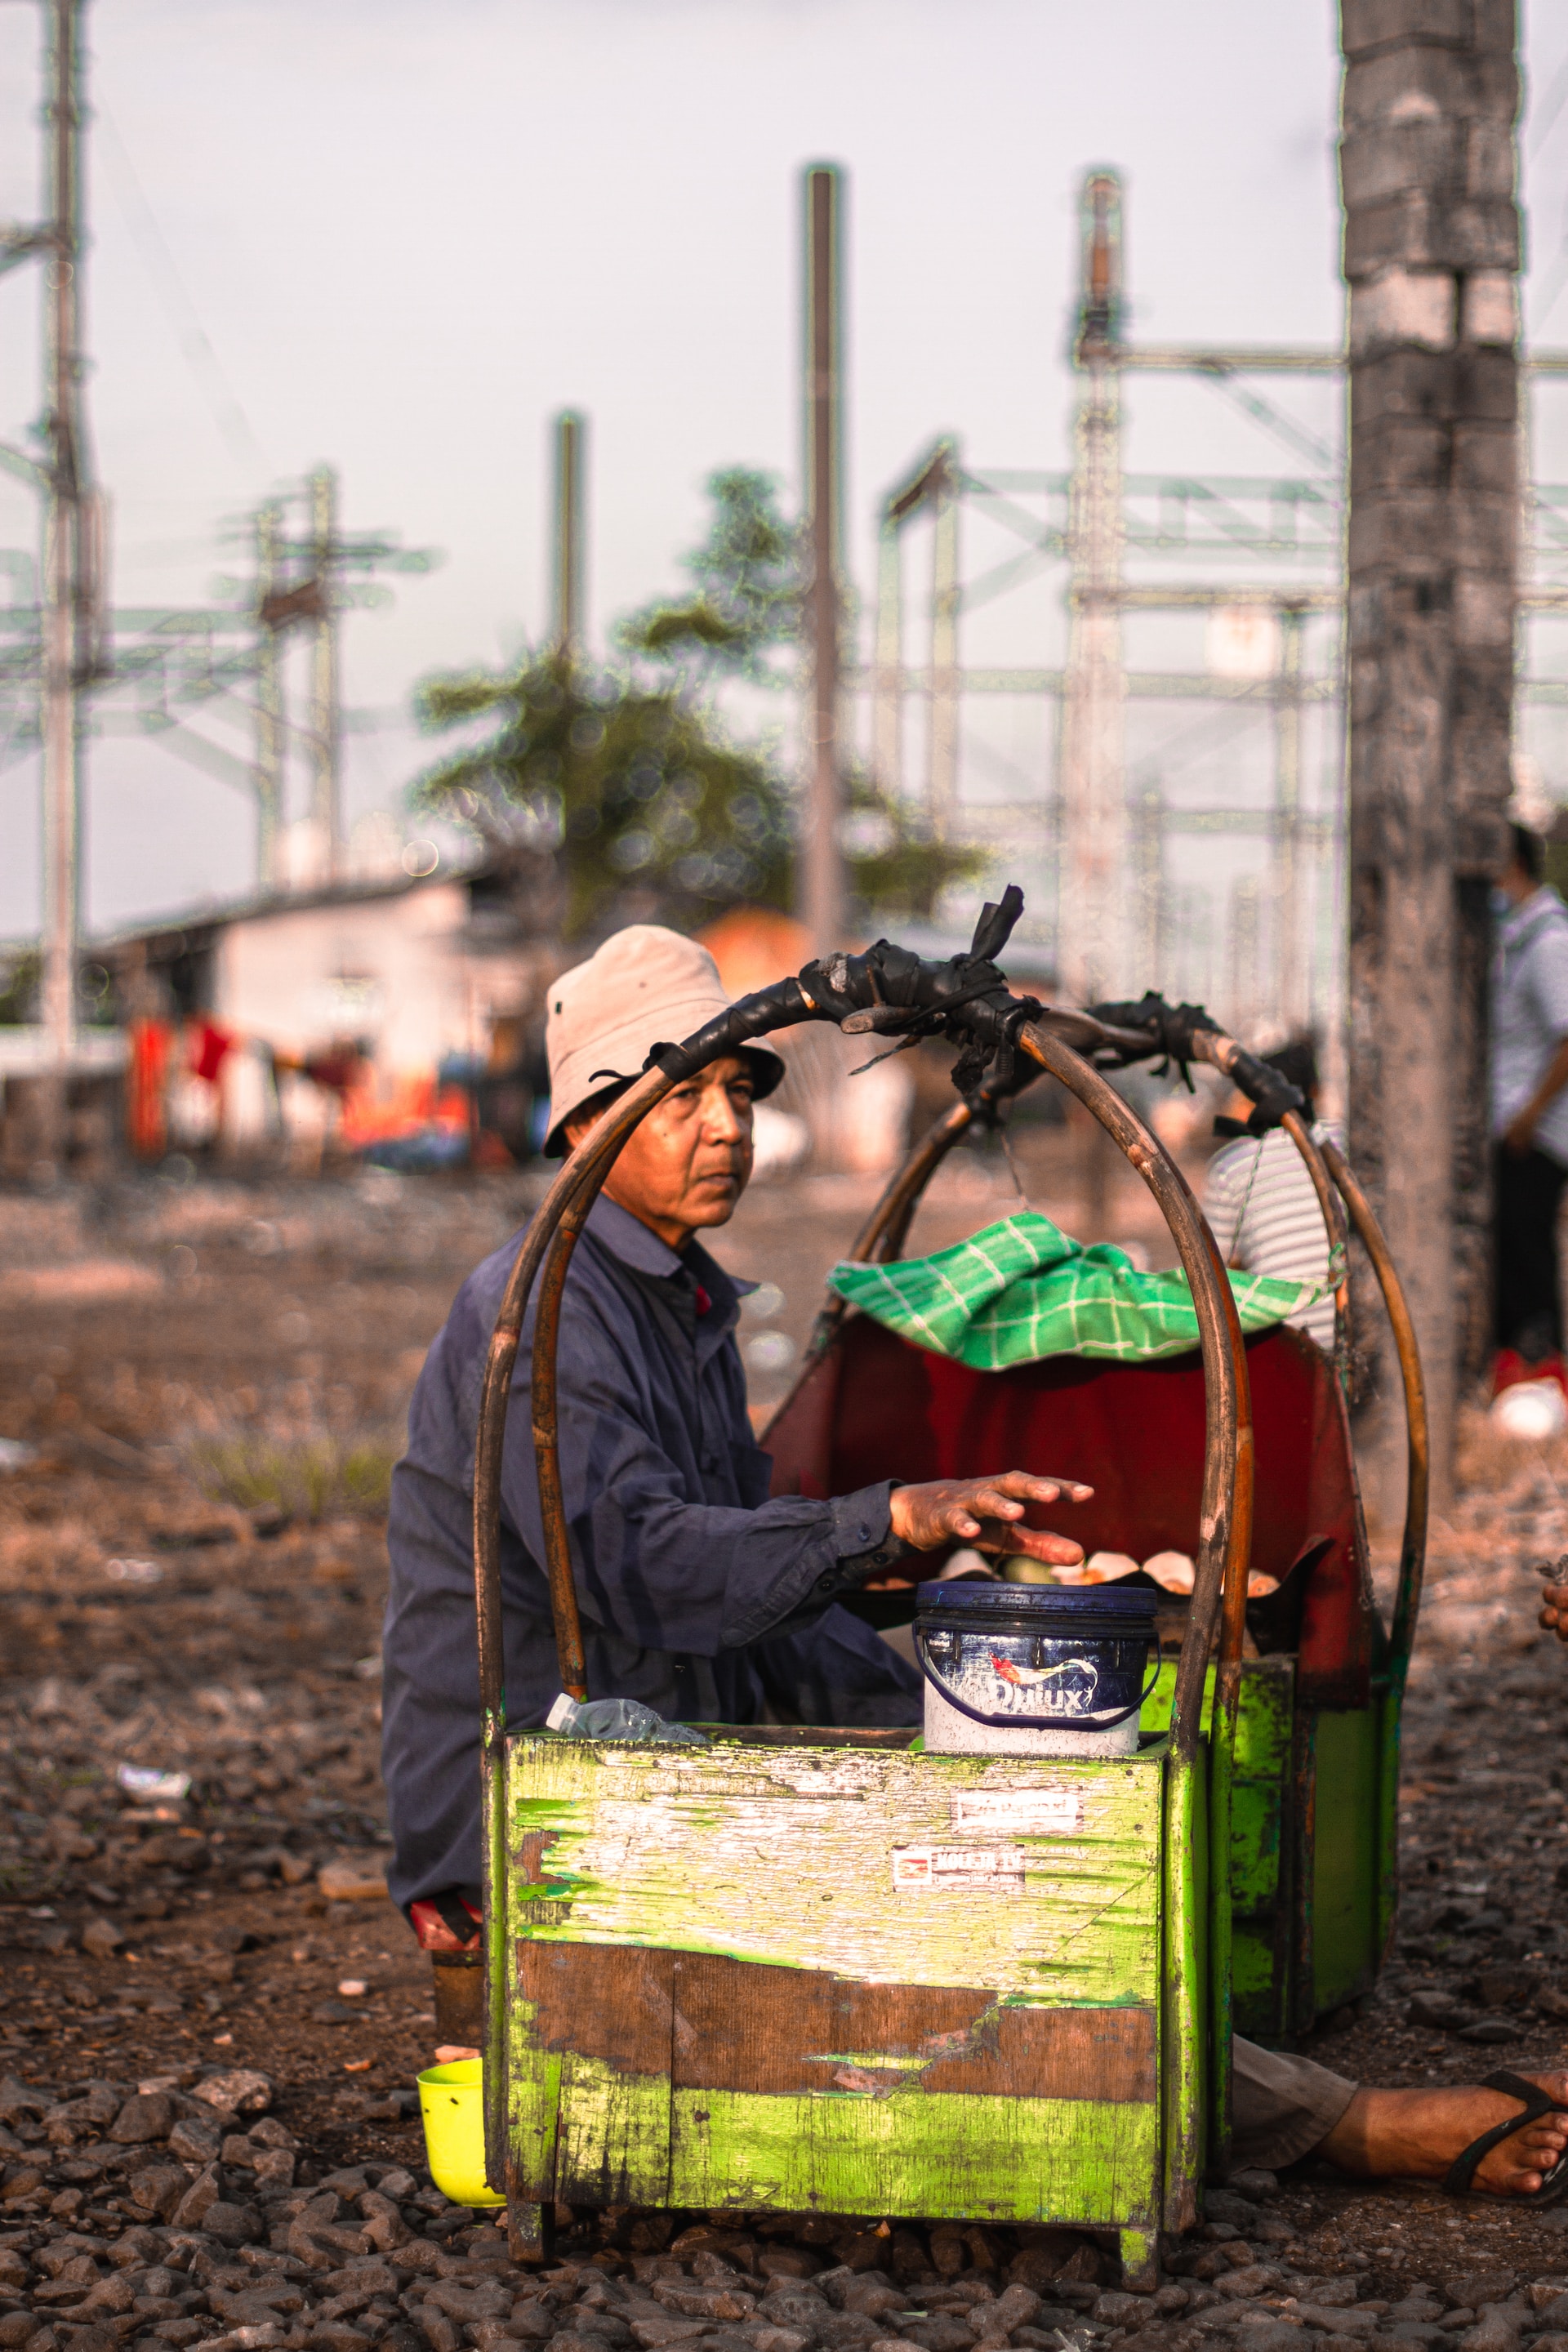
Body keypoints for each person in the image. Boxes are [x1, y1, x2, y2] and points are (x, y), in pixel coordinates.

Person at [382, 921, 1568, 2203]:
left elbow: (759, 1600)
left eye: (736, 1093)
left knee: (992, 1845)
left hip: (658, 1740)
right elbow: (651, 1571)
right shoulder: (543, 1306)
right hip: (537, 1812)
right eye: (684, 1100)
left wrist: (952, 1727)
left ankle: (1235, 2073)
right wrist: (889, 1523)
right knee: (949, 1944)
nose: (726, 1128)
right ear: (585, 1128)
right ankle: (1343, 2124)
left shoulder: (685, 1303)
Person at [1202, 1037, 1343, 1354]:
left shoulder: (1232, 1164)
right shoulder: (1345, 1142)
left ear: (1253, 1097)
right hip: (1361, 1339)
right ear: (1316, 1091)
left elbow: (1219, 1276)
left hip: (1290, 1351)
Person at [1492, 822, 1568, 1396]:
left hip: (1537, 1133)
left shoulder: (1548, 941)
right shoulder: (1518, 934)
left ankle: (1544, 1371)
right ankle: (1522, 1373)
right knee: (1513, 1255)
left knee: (1528, 1253)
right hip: (1520, 1126)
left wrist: (1528, 1116)